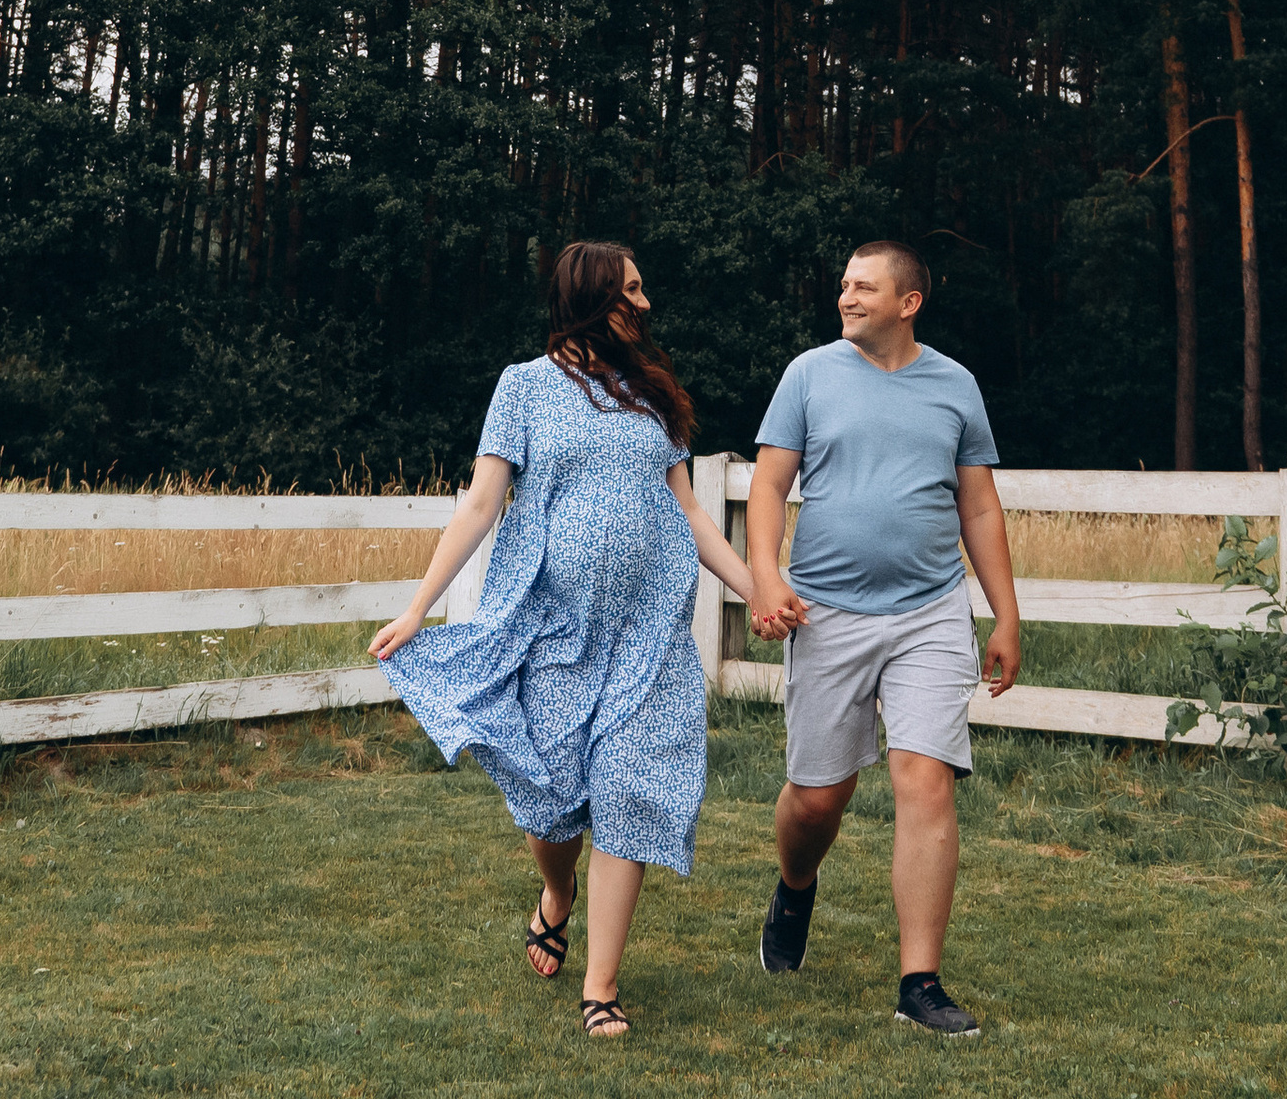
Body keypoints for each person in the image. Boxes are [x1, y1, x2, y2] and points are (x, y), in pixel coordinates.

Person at [370, 241, 754, 1040]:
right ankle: (557, 895)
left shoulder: (652, 396)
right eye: (633, 290)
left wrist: (758, 590)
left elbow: (688, 514)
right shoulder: (525, 387)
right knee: (551, 810)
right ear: (592, 296)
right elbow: (481, 506)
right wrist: (417, 610)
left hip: (647, 631)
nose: (646, 304)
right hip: (550, 627)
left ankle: (601, 987)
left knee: (626, 789)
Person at [745, 240, 1020, 1039]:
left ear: (909, 302)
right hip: (827, 613)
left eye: (864, 287)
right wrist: (766, 576)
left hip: (931, 612)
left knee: (925, 779)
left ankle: (919, 983)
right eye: (843, 285)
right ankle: (796, 886)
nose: (846, 296)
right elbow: (768, 484)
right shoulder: (809, 375)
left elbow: (979, 508)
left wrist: (1005, 614)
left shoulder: (955, 385)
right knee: (818, 798)